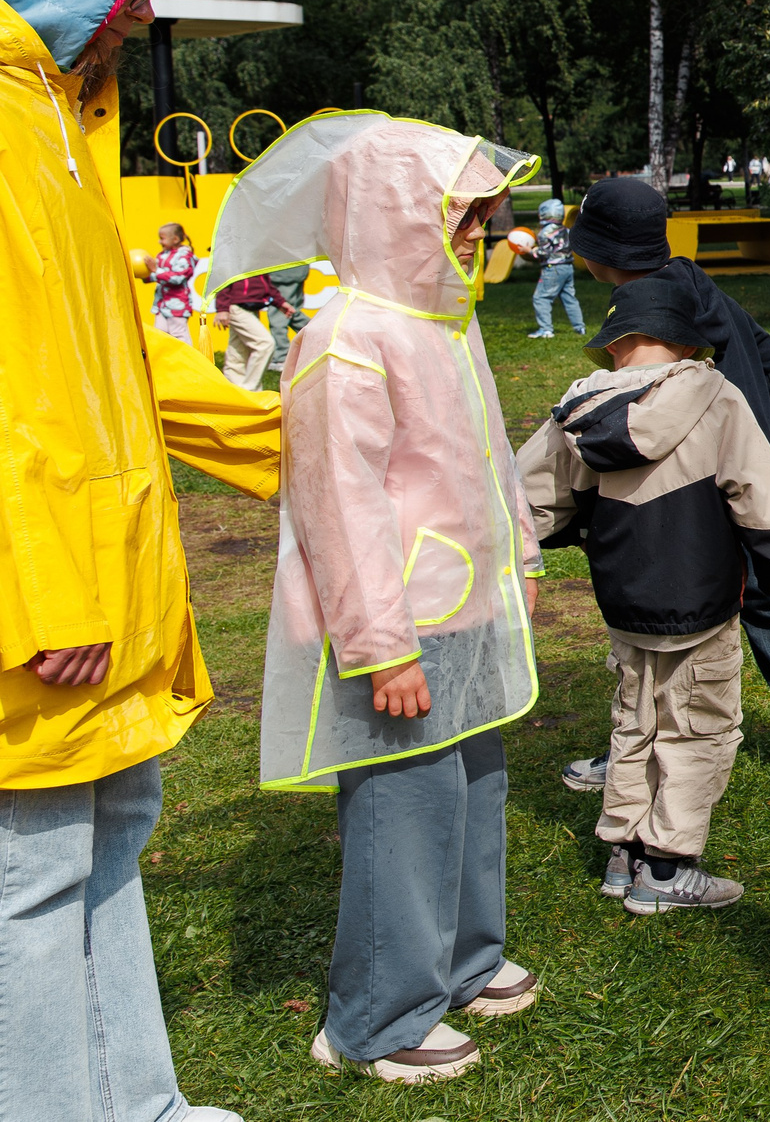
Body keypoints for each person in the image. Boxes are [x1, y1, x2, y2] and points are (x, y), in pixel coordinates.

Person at [0, 0, 283, 1122]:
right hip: (49, 605)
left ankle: (139, 1106)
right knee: (30, 890)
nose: (146, 6)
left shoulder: (56, 125)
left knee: (109, 852)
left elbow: (122, 353)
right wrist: (40, 597)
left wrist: (293, 444)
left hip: (107, 584)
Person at [213, 112, 548, 1083]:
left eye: (483, 217)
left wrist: (522, 553)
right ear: (392, 215)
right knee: (404, 801)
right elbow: (335, 502)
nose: (479, 236)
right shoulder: (345, 336)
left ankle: (461, 962)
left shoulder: (446, 326)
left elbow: (488, 451)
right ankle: (375, 1016)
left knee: (472, 787)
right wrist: (379, 642)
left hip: (467, 606)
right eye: (460, 218)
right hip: (402, 620)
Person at [558, 178, 770, 780]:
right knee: (758, 585)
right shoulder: (693, 280)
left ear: (597, 252)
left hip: (691, 480)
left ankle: (644, 749)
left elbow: (647, 406)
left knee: (675, 612)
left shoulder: (644, 310)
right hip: (739, 458)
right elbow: (762, 347)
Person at [518, 279, 770, 913]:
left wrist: (524, 557)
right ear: (682, 342)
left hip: (625, 602)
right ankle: (669, 869)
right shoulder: (715, 396)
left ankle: (622, 853)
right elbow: (760, 497)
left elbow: (527, 497)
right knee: (699, 727)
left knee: (635, 721)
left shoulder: (576, 411)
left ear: (615, 346)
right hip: (701, 603)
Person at [525, 196, 585, 340]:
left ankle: (546, 330)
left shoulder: (545, 233)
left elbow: (544, 253)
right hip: (568, 268)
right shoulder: (566, 230)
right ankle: (580, 327)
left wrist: (529, 250)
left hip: (553, 269)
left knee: (541, 298)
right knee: (569, 298)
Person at [214, 269, 280, 386]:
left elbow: (267, 284)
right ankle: (250, 387)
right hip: (237, 307)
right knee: (265, 344)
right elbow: (223, 282)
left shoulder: (257, 260)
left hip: (252, 307)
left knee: (237, 351)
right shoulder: (233, 258)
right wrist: (222, 309)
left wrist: (280, 302)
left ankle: (234, 389)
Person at [150, 220, 198, 339]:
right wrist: (145, 274)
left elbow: (177, 277)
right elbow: (157, 276)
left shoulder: (185, 256)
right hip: (161, 305)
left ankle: (186, 357)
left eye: (162, 238)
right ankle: (163, 358)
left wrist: (155, 270)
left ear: (175, 239)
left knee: (179, 335)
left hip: (177, 305)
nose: (159, 241)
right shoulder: (162, 255)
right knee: (160, 334)